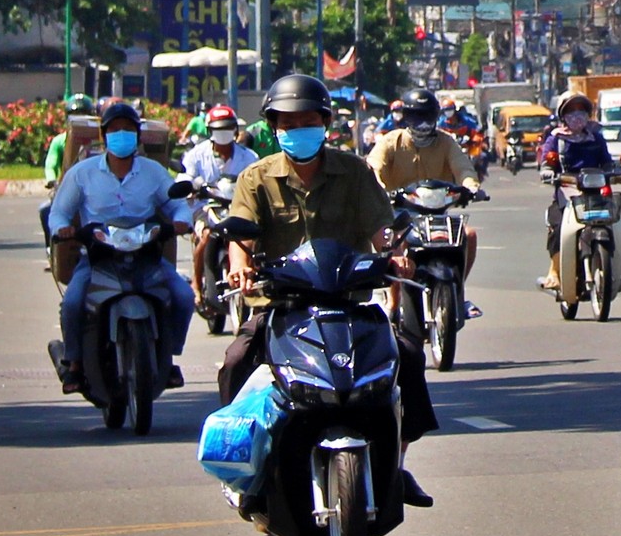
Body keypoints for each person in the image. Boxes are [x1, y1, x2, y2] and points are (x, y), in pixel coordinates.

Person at [219, 74, 436, 507]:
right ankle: (244, 470)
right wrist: (241, 270)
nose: (297, 129)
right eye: (287, 122)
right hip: (282, 308)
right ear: (274, 127)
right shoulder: (255, 178)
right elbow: (239, 241)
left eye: (306, 120)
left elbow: (382, 229)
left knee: (408, 355)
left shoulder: (355, 171)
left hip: (349, 304)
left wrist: (394, 254)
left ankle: (396, 462)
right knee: (237, 360)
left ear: (324, 123)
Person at [48, 101, 196, 394]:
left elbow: (177, 205)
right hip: (99, 256)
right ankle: (74, 364)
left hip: (146, 255)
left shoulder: (153, 172)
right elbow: (59, 212)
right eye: (114, 130)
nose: (121, 135)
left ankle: (168, 358)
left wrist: (181, 221)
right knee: (73, 303)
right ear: (103, 137)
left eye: (128, 130)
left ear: (138, 137)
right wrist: (61, 229)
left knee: (182, 296)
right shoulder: (83, 173)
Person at [368, 88, 485, 283]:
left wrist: (471, 187)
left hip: (437, 214)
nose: (422, 123)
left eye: (427, 116)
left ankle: (458, 291)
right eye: (416, 117)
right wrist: (378, 188)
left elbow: (463, 167)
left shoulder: (447, 141)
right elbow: (374, 167)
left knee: (469, 235)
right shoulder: (390, 141)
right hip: (400, 214)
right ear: (406, 117)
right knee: (396, 246)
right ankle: (394, 305)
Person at [180, 103, 259, 303]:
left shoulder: (249, 157)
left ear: (235, 130)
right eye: (218, 129)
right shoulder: (197, 155)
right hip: (206, 207)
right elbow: (185, 177)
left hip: (237, 208)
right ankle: (197, 284)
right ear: (210, 131)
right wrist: (192, 185)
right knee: (206, 236)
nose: (223, 134)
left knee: (253, 238)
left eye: (227, 129)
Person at [537, 90, 615, 292]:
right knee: (557, 226)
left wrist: (614, 171)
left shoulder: (596, 137)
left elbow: (607, 162)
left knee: (613, 225)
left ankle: (612, 272)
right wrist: (547, 171)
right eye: (571, 111)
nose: (577, 115)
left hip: (596, 193)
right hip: (566, 194)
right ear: (563, 116)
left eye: (581, 110)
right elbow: (547, 160)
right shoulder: (556, 139)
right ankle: (554, 271)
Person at [39, 95, 95, 246]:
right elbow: (50, 164)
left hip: (93, 189)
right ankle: (52, 248)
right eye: (74, 116)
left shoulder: (99, 141)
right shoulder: (59, 141)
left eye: (83, 115)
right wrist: (52, 181)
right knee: (46, 211)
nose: (78, 120)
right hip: (65, 189)